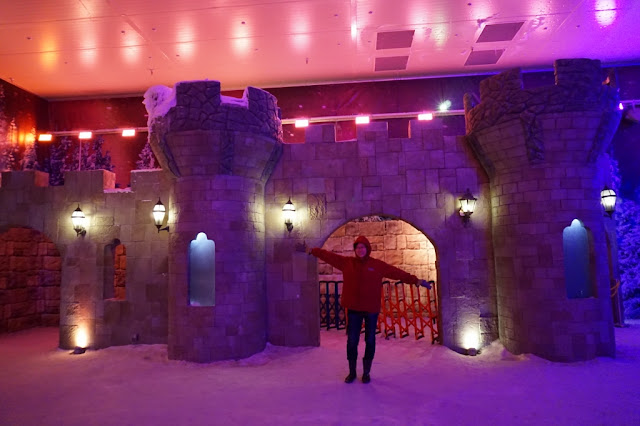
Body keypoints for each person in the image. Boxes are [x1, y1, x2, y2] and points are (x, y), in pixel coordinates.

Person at [306, 235, 433, 384]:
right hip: (354, 309)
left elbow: (396, 272)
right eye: (358, 247)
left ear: (367, 249)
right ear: (355, 250)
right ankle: (352, 372)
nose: (360, 250)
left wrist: (416, 281)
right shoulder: (347, 263)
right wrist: (312, 250)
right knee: (352, 341)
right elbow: (329, 256)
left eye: (363, 247)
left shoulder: (377, 265)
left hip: (371, 310)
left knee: (370, 340)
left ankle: (366, 372)